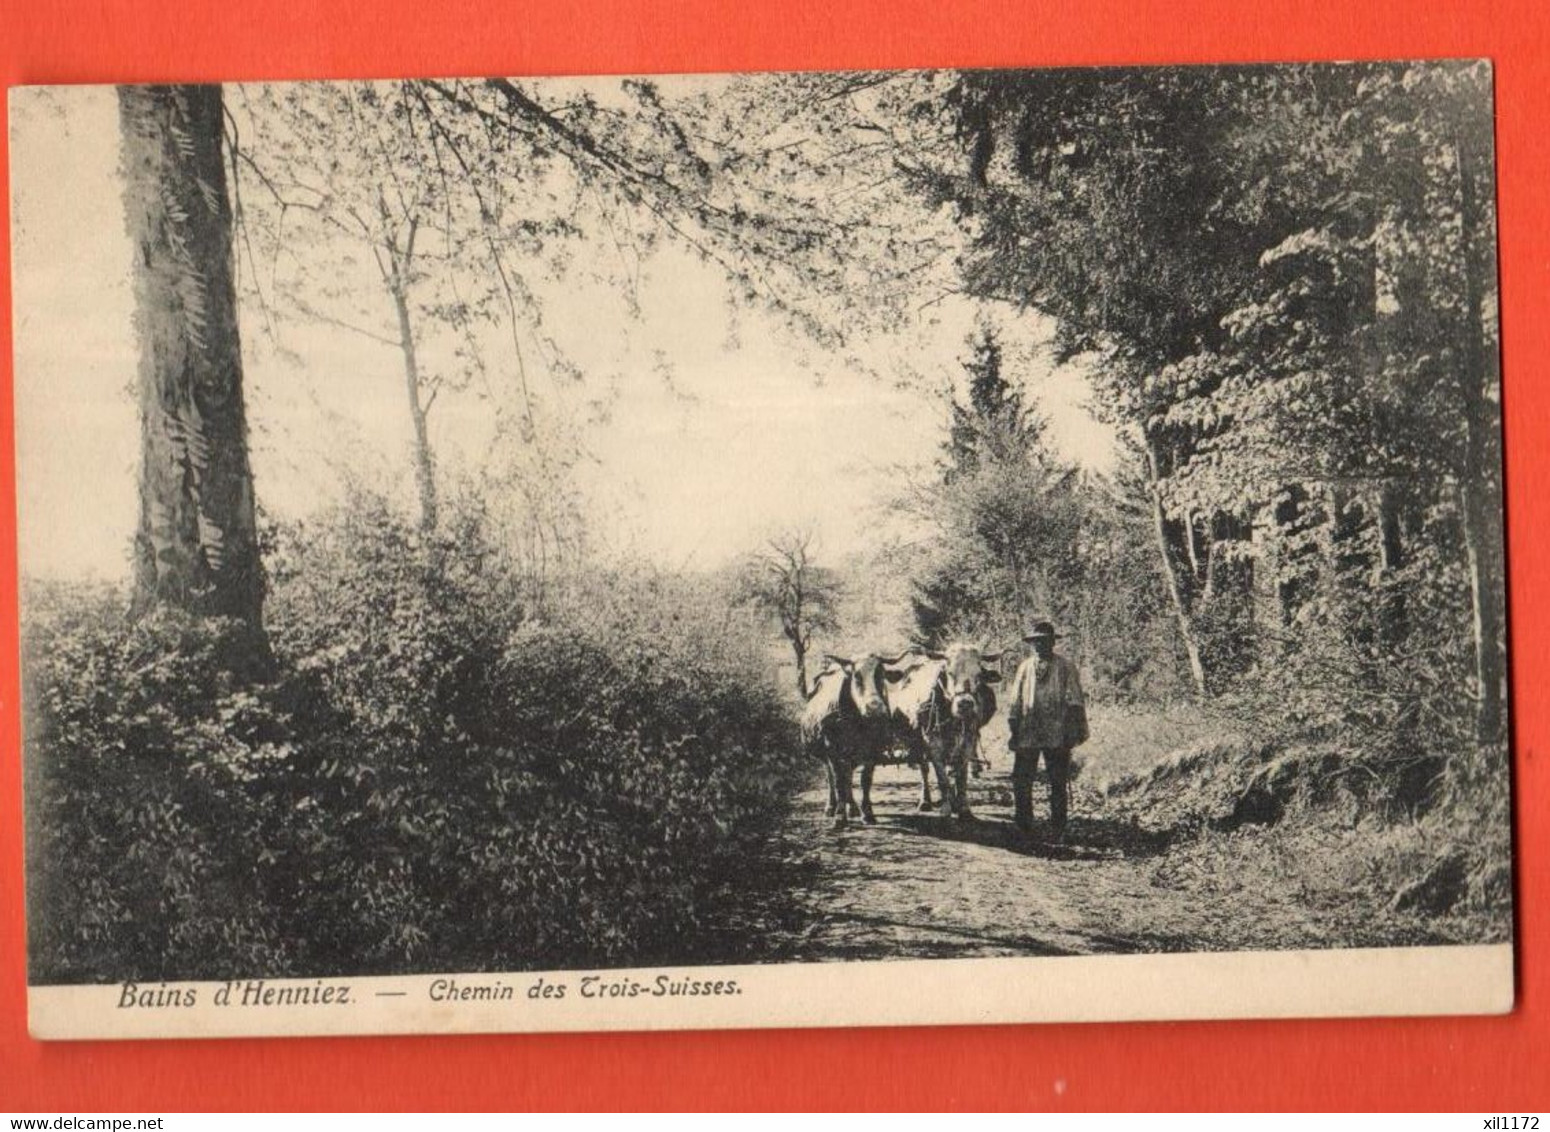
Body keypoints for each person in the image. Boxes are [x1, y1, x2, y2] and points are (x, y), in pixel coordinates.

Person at [1006, 620, 1089, 841]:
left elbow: (1075, 700)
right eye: (1036, 642)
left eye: (1044, 641)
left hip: (1056, 731)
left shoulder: (1065, 667)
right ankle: (1024, 824)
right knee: (1022, 778)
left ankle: (1058, 826)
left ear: (1053, 642)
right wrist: (1013, 728)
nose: (1040, 645)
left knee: (1057, 780)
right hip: (1028, 730)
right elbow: (1015, 700)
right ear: (1031, 644)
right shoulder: (1025, 667)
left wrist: (1073, 730)